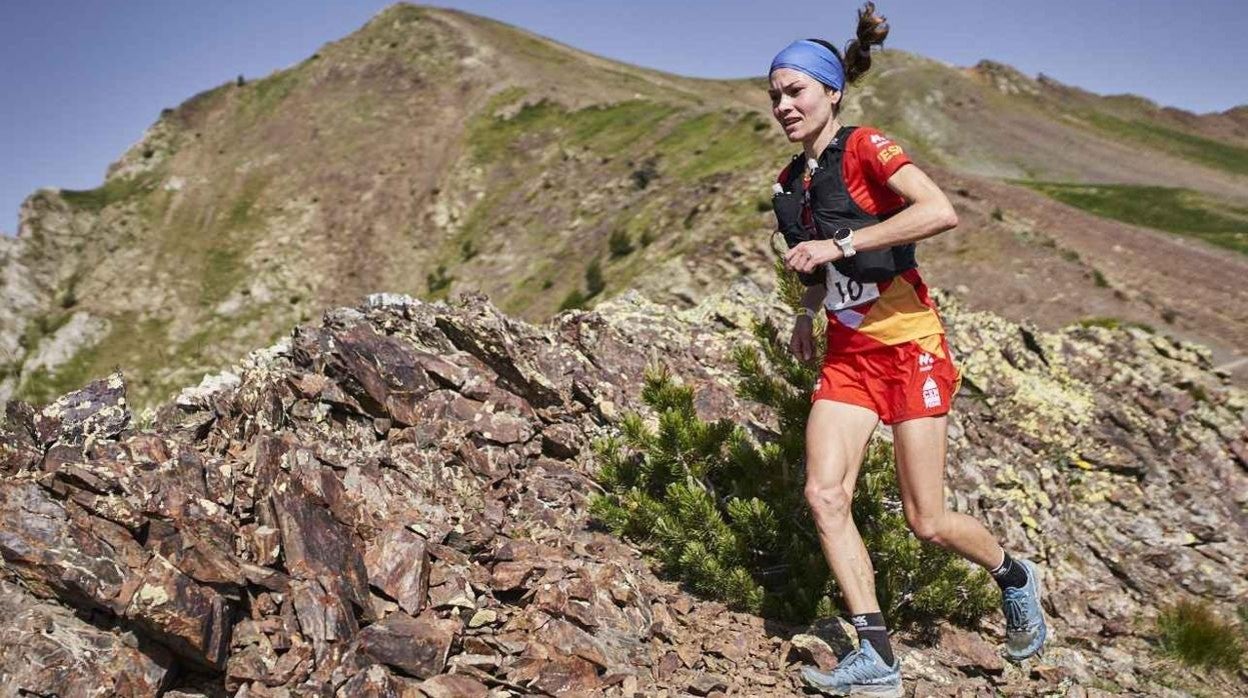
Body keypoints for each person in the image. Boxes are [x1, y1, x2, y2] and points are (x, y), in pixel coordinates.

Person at [767, 4, 1047, 695]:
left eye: (795, 90)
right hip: (849, 360)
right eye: (774, 94)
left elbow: (938, 210)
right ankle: (876, 658)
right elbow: (818, 270)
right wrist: (808, 311)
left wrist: (845, 242)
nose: (783, 105)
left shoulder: (866, 147)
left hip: (912, 351)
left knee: (927, 521)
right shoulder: (786, 186)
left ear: (831, 91)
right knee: (825, 495)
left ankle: (1013, 575)